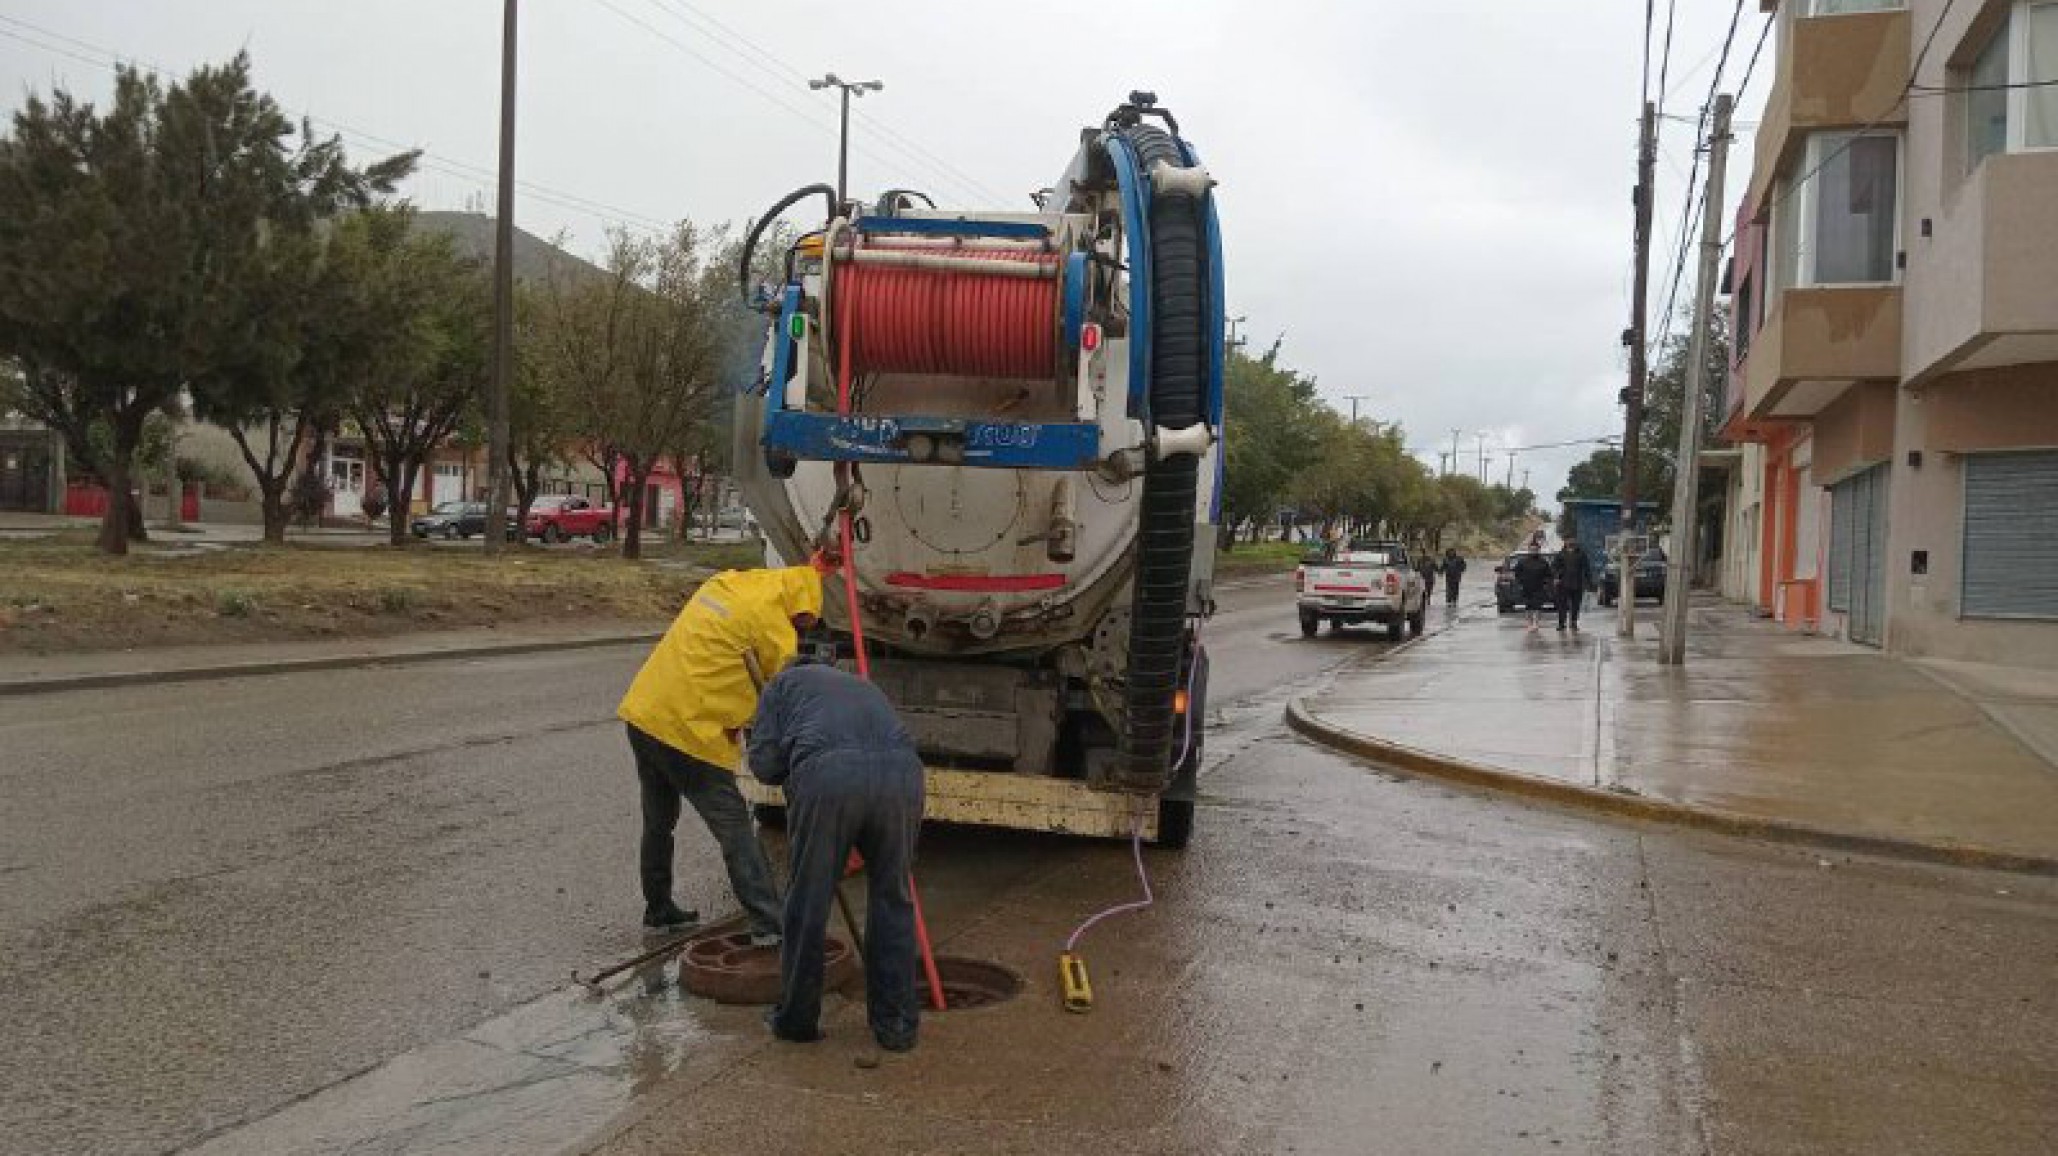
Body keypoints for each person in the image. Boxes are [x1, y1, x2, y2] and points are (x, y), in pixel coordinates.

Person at [617, 564, 825, 941]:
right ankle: (769, 924)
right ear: (795, 608)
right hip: (691, 733)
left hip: (645, 714)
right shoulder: (776, 631)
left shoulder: (727, 583)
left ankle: (659, 910)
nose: (802, 627)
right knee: (736, 830)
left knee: (658, 821)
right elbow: (780, 700)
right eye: (803, 620)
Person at [749, 658, 926, 1053]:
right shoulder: (861, 685)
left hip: (830, 777)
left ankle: (796, 1020)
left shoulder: (779, 686)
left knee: (808, 903)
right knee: (892, 899)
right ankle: (896, 1026)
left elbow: (764, 767)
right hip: (903, 775)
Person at [1511, 541, 1554, 633]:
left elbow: (1549, 574)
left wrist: (1547, 583)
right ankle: (1529, 624)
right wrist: (1520, 583)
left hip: (1539, 587)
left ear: (1538, 550)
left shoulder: (1543, 562)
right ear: (1529, 550)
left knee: (1538, 607)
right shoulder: (1522, 562)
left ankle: (1536, 624)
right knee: (1528, 607)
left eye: (1535, 549)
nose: (1533, 551)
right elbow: (1516, 574)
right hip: (1526, 587)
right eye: (1532, 549)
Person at [1553, 539, 1591, 633]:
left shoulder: (1581, 554)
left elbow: (1586, 568)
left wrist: (1588, 582)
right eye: (1568, 540)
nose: (1570, 542)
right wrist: (1556, 577)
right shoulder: (1560, 554)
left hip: (1577, 583)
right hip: (1563, 584)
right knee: (1562, 605)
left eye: (1572, 540)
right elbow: (1554, 567)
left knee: (1576, 605)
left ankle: (1573, 622)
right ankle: (1561, 623)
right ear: (1565, 543)